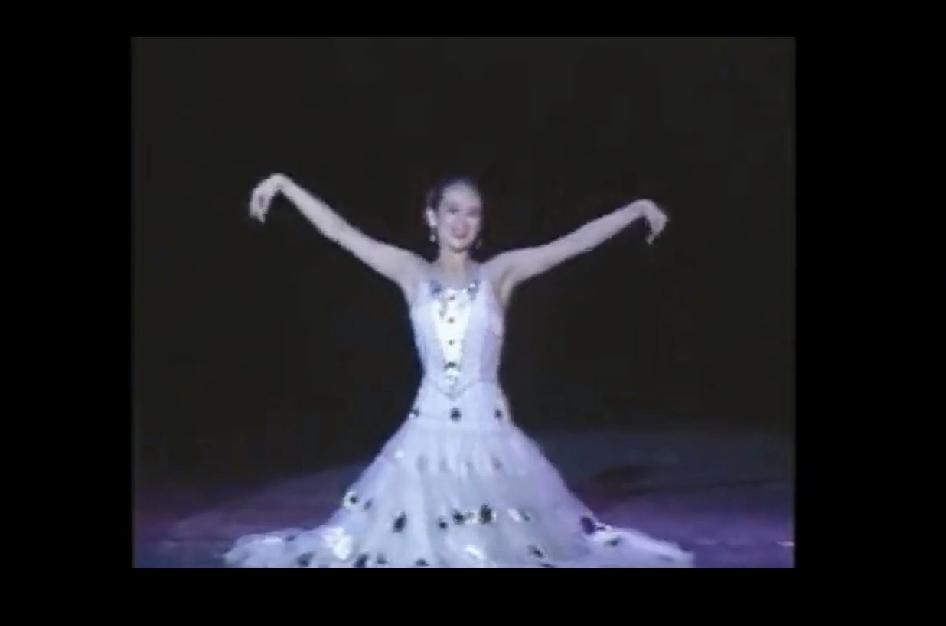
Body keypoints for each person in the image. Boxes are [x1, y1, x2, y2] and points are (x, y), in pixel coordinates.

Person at [224, 173, 692, 567]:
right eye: (452, 211)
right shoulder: (411, 272)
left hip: (488, 431)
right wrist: (284, 185)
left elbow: (572, 244)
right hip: (426, 433)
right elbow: (342, 233)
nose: (462, 222)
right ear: (431, 217)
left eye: (472, 213)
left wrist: (635, 209)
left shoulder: (499, 274)